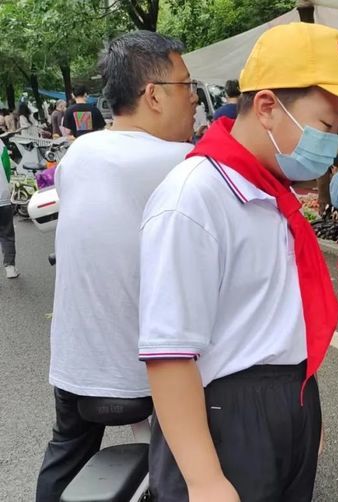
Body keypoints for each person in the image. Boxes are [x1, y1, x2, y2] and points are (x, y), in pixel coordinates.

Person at [137, 22, 338, 502]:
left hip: (288, 402)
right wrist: (204, 479)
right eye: (327, 126)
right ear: (267, 107)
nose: (333, 142)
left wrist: (300, 417)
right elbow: (169, 353)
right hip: (224, 420)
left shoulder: (269, 191)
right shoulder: (194, 199)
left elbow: (280, 313)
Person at [35, 31, 196, 501]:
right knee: (192, 454)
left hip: (74, 363)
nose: (193, 99)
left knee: (64, 451)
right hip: (144, 371)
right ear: (153, 95)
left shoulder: (79, 152)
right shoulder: (186, 162)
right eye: (186, 86)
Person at [0, 144, 18, 279]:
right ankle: (10, 268)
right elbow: (6, 166)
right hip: (2, 196)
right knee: (7, 233)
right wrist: (5, 183)